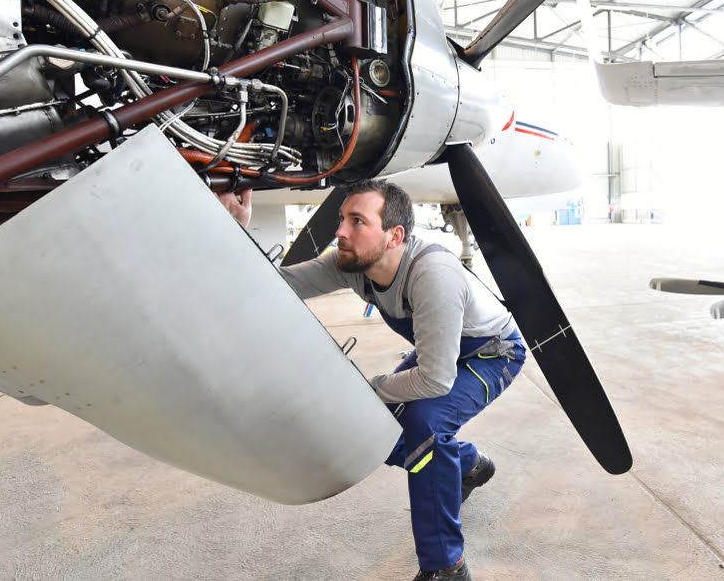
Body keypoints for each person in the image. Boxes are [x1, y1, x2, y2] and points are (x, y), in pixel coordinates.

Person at [218, 182, 526, 581]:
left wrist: (372, 387)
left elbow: (434, 379)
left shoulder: (433, 275)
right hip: (440, 350)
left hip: (491, 353)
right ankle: (467, 465)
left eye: (357, 221)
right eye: (342, 219)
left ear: (394, 235)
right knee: (368, 426)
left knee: (424, 429)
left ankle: (446, 567)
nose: (340, 232)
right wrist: (238, 228)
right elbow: (276, 286)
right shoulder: (352, 265)